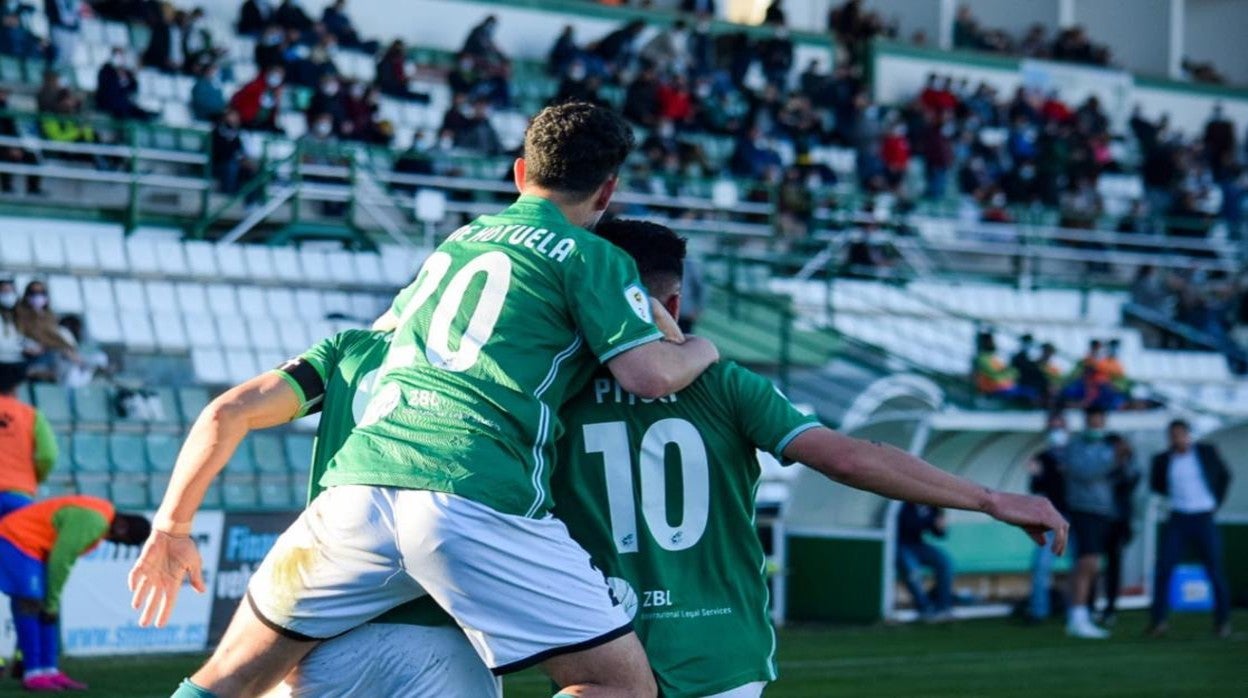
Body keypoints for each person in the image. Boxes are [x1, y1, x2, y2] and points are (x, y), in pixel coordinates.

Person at [134, 102, 721, 698]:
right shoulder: (597, 257)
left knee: (225, 681)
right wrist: (702, 349)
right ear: (607, 191)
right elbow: (649, 375)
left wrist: (171, 526)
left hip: (357, 493)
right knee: (621, 686)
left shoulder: (456, 244)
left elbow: (369, 342)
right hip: (472, 491)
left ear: (520, 174)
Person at [129, 328, 501, 697]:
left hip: (323, 634)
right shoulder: (508, 359)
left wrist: (171, 529)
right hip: (451, 641)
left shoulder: (350, 350)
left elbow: (225, 414)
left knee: (223, 678)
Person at [0, 496, 150, 691]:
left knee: (46, 608)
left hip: (31, 546)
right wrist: (52, 601)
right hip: (15, 540)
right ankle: (33, 672)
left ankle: (49, 670)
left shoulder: (100, 516)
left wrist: (52, 602)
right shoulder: (94, 522)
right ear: (122, 528)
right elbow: (61, 559)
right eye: (121, 542)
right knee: (31, 603)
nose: (115, 544)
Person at [1147, 419, 1232, 638]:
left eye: (1179, 434)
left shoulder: (1206, 452)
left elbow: (1224, 476)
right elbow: (1156, 485)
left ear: (1187, 434)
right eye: (1172, 435)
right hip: (1177, 518)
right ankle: (1159, 622)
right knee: (1164, 568)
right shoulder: (1163, 459)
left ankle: (1222, 622)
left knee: (1214, 569)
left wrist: (1216, 503)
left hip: (1203, 516)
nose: (1176, 439)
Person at [1061, 406, 1117, 639]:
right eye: (1092, 421)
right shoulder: (1076, 446)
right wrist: (1114, 459)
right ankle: (1077, 615)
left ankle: (1084, 613)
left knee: (1093, 564)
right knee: (1086, 562)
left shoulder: (1108, 445)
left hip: (1104, 511)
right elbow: (1084, 472)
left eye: (1099, 421)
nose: (1096, 425)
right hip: (1083, 510)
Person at [1027, 412, 1071, 623]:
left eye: (1059, 427)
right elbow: (1036, 489)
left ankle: (1079, 610)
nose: (1057, 432)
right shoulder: (1042, 457)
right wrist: (1036, 474)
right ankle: (1038, 612)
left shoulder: (1076, 454)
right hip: (1052, 517)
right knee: (1040, 565)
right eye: (1053, 428)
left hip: (1077, 517)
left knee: (1081, 565)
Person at [1092, 433, 1139, 627]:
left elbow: (1132, 482)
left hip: (1118, 522)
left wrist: (1126, 458)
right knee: (1091, 565)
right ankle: (1089, 606)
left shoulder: (1128, 467)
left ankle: (1110, 608)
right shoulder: (1100, 467)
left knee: (1114, 566)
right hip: (1097, 520)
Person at [0, 365, 58, 516]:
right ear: (16, 388)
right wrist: (33, 476)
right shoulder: (32, 415)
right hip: (19, 493)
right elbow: (48, 456)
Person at [895, 501, 954, 621]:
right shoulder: (902, 503)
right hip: (899, 545)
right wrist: (928, 521)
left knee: (945, 563)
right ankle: (924, 607)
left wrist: (940, 526)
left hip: (918, 545)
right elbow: (907, 524)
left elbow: (938, 533)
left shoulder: (933, 506)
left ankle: (943, 607)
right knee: (912, 569)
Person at [14, 280, 76, 382]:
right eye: (33, 293)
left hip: (47, 352)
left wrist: (67, 348)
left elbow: (54, 335)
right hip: (29, 354)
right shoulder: (20, 314)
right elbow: (35, 334)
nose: (37, 297)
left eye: (41, 293)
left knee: (65, 356)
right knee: (59, 355)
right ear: (27, 295)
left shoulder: (49, 315)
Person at [96, 47, 157, 121]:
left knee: (135, 111)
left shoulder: (128, 74)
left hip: (123, 106)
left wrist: (129, 76)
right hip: (109, 105)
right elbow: (109, 90)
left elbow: (132, 89)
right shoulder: (105, 71)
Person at [0, 89, 42, 195]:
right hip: (4, 146)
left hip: (10, 145)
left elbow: (13, 131)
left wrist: (16, 147)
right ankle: (6, 187)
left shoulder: (7, 109)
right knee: (6, 158)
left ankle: (33, 189)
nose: (4, 95)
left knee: (32, 157)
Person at [229, 66, 284, 132]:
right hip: (247, 121)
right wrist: (235, 112)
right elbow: (237, 98)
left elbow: (273, 113)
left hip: (263, 124)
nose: (276, 78)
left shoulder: (276, 92)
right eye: (275, 74)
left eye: (280, 76)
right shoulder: (255, 85)